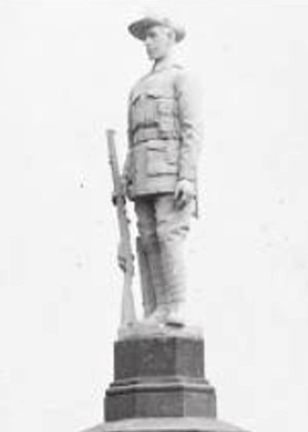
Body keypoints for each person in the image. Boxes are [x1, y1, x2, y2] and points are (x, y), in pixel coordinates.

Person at [121, 14, 202, 328]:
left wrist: (187, 176)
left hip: (169, 170)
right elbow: (133, 136)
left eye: (153, 35)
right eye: (145, 37)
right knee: (149, 239)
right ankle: (157, 308)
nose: (147, 42)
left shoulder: (182, 79)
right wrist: (127, 175)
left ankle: (176, 305)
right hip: (143, 174)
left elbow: (192, 130)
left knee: (169, 236)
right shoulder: (138, 86)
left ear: (170, 37)